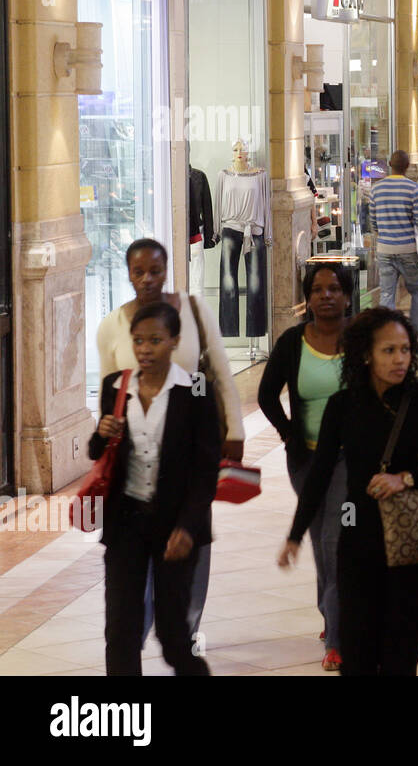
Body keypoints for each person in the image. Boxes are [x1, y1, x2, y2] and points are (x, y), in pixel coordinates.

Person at [279, 308, 418, 676]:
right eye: (389, 350)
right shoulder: (344, 406)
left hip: (410, 544)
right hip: (358, 542)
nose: (400, 359)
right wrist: (295, 536)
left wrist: (406, 479)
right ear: (365, 353)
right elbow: (319, 475)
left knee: (399, 659)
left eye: (405, 350)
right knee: (357, 657)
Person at [96, 238, 242, 642]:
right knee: (130, 575)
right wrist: (104, 435)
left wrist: (234, 430)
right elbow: (108, 400)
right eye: (138, 272)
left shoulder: (194, 311)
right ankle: (137, 633)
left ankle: (185, 631)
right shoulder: (112, 326)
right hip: (135, 462)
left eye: (155, 270)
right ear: (127, 274)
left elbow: (220, 371)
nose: (147, 279)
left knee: (190, 538)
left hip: (188, 448)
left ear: (166, 270)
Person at [93, 301, 221, 676]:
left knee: (173, 639)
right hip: (125, 525)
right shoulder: (115, 387)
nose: (145, 349)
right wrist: (101, 435)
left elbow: (205, 469)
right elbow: (96, 453)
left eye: (155, 340)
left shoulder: (195, 390)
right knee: (121, 633)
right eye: (138, 341)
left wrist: (187, 527)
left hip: (174, 527)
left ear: (175, 341)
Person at [257, 262, 351, 671]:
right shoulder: (293, 342)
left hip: (351, 460)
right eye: (317, 289)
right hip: (307, 461)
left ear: (348, 296)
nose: (325, 296)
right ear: (307, 297)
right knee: (323, 540)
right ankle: (331, 615)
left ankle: (337, 637)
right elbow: (265, 395)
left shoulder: (361, 340)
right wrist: (288, 433)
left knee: (335, 544)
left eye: (333, 289)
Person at [371, 150, 418, 333]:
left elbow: (373, 222)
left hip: (385, 249)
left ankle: (387, 332)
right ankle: (417, 333)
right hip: (409, 249)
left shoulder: (377, 188)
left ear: (389, 164)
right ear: (407, 167)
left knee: (387, 293)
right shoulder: (414, 189)